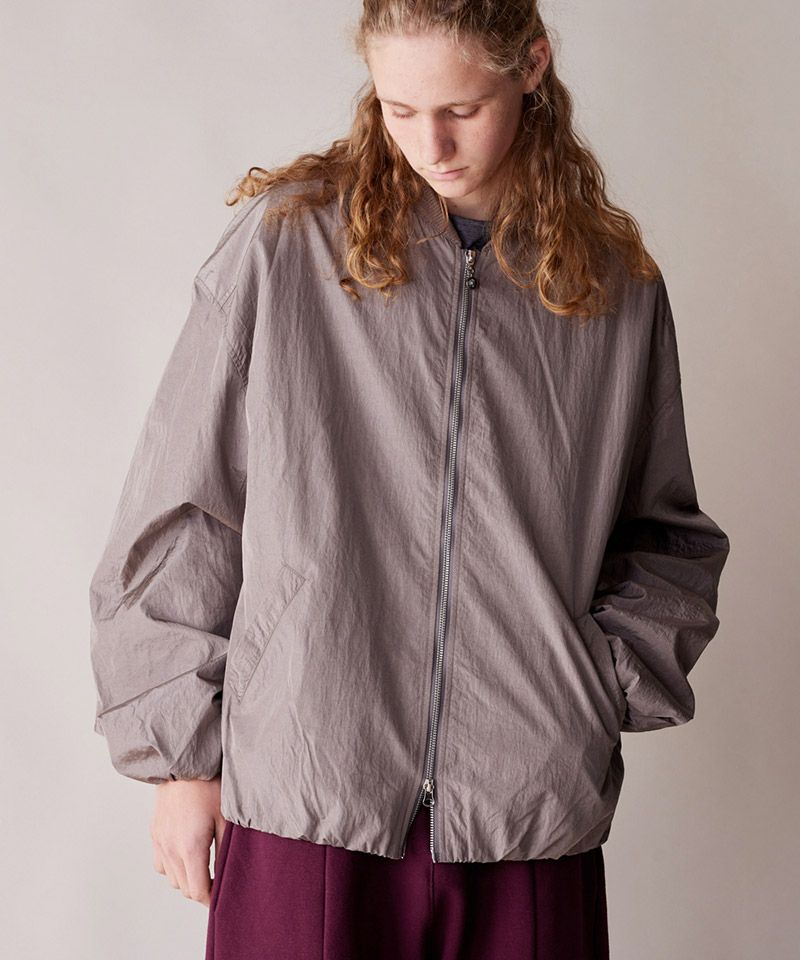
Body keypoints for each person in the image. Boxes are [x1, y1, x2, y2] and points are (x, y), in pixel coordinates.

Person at [88, 2, 731, 958]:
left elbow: (665, 536)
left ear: (532, 68)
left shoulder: (612, 285)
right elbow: (183, 511)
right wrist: (182, 763)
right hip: (309, 793)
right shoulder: (290, 246)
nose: (431, 144)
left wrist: (587, 694)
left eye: (462, 110)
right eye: (399, 109)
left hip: (524, 813)